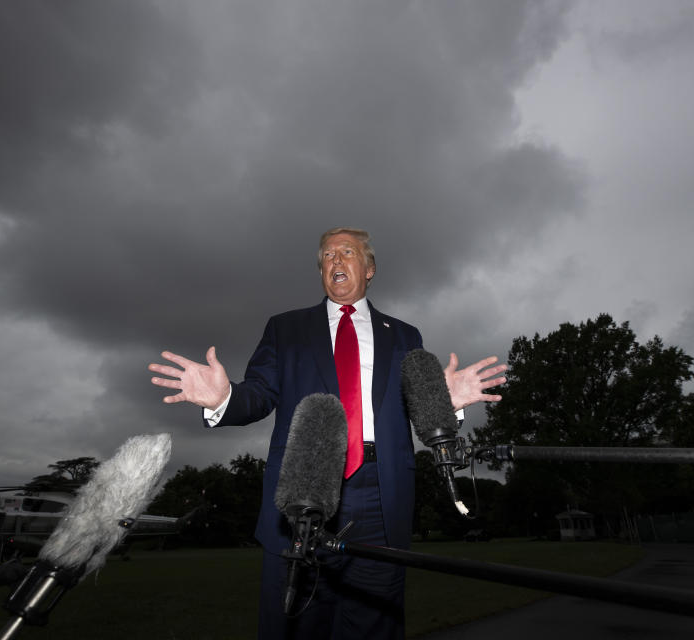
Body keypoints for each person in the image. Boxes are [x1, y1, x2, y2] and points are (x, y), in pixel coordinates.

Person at [148, 227, 505, 639]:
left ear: (369, 268)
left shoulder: (405, 335)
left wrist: (448, 404)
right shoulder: (285, 329)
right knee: (295, 625)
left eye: (347, 252)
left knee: (376, 626)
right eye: (327, 256)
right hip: (303, 491)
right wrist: (223, 398)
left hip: (380, 499)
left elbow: (418, 411)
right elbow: (260, 395)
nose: (335, 260)